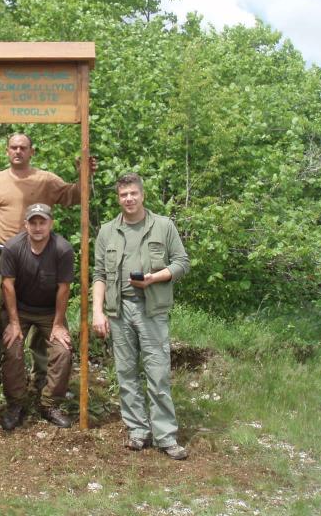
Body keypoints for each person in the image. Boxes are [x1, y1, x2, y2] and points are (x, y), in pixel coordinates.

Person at [91, 173, 191, 460]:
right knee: (126, 374)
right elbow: (99, 274)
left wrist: (154, 278)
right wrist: (97, 312)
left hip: (152, 310)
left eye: (133, 193)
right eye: (124, 195)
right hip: (119, 311)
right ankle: (137, 431)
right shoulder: (107, 231)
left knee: (158, 373)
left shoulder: (163, 226)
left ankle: (166, 436)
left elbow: (182, 263)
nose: (129, 199)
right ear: (118, 198)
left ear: (142, 195)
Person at [0, 132, 94, 391]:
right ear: (7, 150)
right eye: (13, 147)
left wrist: (84, 175)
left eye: (23, 147)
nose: (18, 151)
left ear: (32, 151)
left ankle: (41, 376)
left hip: (38, 257)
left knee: (38, 314)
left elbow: (75, 196)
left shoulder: (45, 179)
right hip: (2, 256)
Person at [0, 203, 74, 430]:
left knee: (63, 350)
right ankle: (16, 403)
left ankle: (50, 403)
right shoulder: (13, 248)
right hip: (20, 309)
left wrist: (58, 324)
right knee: (12, 348)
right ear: (26, 225)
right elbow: (7, 286)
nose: (38, 227)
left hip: (50, 311)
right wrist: (13, 323)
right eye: (33, 223)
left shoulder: (62, 249)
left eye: (43, 222)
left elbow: (64, 288)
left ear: (51, 224)